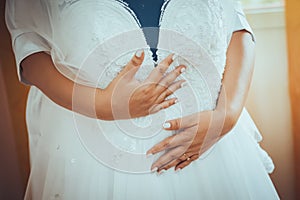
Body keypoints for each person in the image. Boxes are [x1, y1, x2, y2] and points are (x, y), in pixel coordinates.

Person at [5, 0, 279, 199]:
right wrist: (103, 104)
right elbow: (30, 50)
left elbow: (238, 25)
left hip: (214, 143)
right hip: (99, 160)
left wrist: (227, 115)